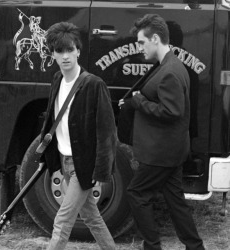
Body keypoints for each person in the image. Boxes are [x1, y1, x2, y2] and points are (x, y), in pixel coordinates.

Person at [119, 14, 205, 250]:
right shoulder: (170, 65)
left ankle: (152, 246)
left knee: (136, 193)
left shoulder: (169, 71)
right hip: (171, 151)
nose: (140, 48)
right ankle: (195, 247)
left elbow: (172, 111)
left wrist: (138, 102)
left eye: (141, 42)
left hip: (160, 153)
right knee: (176, 202)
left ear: (155, 38)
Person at [41, 21, 117, 250]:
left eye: (70, 50)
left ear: (78, 51)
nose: (65, 56)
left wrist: (101, 170)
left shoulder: (94, 85)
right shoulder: (57, 80)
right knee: (92, 217)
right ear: (53, 54)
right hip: (65, 161)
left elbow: (107, 132)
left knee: (62, 220)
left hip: (83, 164)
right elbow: (53, 122)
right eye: (60, 51)